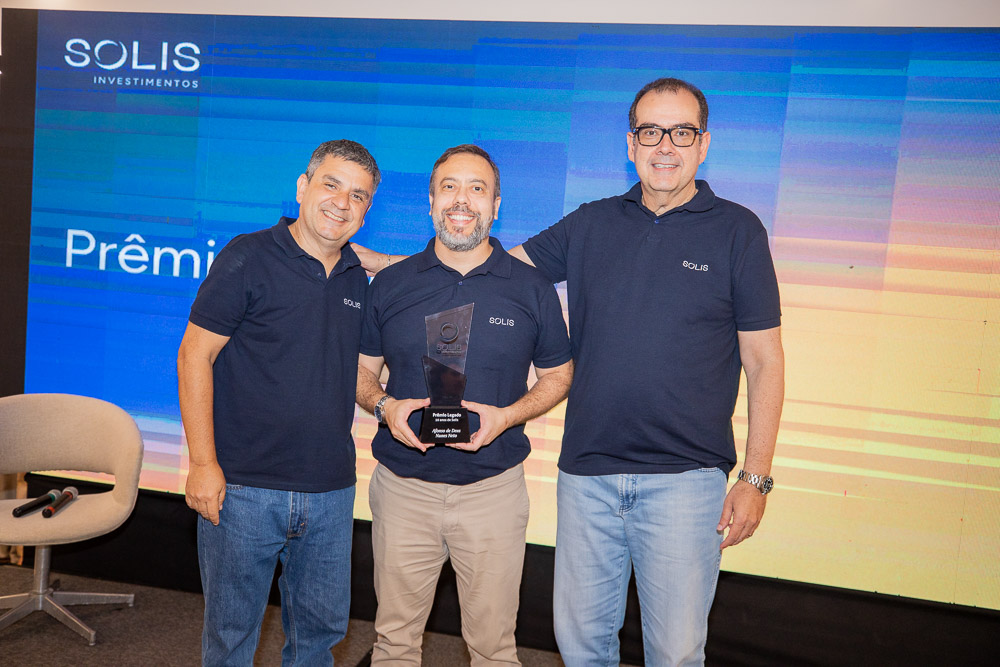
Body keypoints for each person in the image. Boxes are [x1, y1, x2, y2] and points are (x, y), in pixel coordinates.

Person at [356, 78, 784, 666]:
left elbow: (764, 360)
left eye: (681, 132)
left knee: (676, 654)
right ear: (630, 144)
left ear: (703, 143)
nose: (665, 146)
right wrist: (388, 268)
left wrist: (755, 478)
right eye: (650, 132)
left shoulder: (738, 231)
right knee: (581, 648)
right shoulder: (590, 223)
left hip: (685, 481)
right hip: (588, 478)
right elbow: (482, 265)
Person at [355, 144, 573, 665]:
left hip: (493, 493)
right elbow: (361, 372)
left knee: (495, 649)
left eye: (477, 189)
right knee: (393, 644)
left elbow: (559, 375)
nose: (462, 200)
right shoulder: (391, 284)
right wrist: (384, 406)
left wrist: (508, 416)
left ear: (496, 206)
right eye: (449, 187)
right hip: (403, 489)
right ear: (430, 201)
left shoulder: (532, 288)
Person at [177, 139, 379, 666]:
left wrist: (386, 404)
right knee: (231, 639)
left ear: (367, 210)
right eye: (331, 185)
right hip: (242, 490)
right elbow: (194, 356)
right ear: (302, 186)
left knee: (319, 640)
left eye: (358, 196)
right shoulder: (248, 256)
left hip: (331, 491)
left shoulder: (359, 277)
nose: (342, 202)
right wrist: (202, 463)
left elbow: (357, 366)